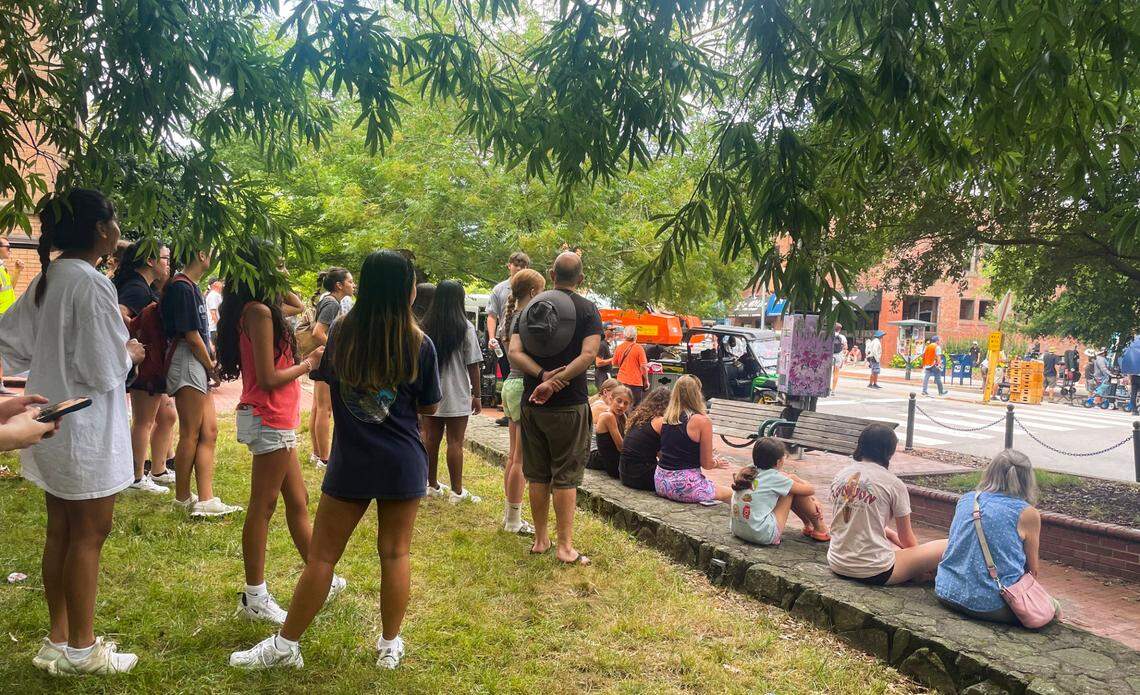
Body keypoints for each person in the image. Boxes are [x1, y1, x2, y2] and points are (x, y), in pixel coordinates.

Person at [229, 250, 441, 671]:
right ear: (408, 289)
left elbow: (324, 378)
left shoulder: (342, 333)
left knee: (323, 556)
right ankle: (389, 645)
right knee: (395, 554)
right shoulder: (420, 343)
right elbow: (430, 408)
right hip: (402, 461)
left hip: (352, 461)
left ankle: (286, 645)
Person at [0, 188, 145, 675]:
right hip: (85, 431)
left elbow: (11, 345)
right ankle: (82, 650)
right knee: (89, 534)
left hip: (49, 427)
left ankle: (57, 639)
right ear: (102, 230)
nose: (120, 228)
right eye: (117, 219)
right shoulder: (91, 283)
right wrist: (132, 353)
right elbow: (107, 368)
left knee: (60, 530)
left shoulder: (50, 278)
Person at [216, 240, 346, 626]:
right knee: (263, 506)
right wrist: (308, 363)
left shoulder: (264, 308)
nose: (286, 272)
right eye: (278, 266)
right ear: (261, 271)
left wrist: (277, 280)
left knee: (298, 500)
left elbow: (297, 306)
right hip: (268, 415)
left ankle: (323, 574)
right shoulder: (257, 313)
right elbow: (270, 377)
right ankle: (254, 595)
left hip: (279, 417)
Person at [508, 251, 601, 565]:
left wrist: (541, 377)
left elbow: (514, 352)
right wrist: (558, 381)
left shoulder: (531, 306)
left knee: (537, 474)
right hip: (569, 405)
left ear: (551, 273)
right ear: (581, 279)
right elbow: (589, 355)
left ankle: (540, 539)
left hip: (532, 404)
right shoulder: (587, 309)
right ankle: (565, 547)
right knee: (565, 476)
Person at [935, 450, 1060, 626]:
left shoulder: (967, 499)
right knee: (1049, 607)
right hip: (988, 605)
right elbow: (1033, 571)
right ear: (1027, 480)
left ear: (990, 472)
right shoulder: (1026, 513)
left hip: (946, 591)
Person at [163, 247, 242, 517]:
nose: (213, 256)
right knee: (190, 432)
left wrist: (211, 359)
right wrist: (210, 366)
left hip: (196, 359)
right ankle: (183, 497)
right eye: (209, 251)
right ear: (199, 254)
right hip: (187, 360)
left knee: (209, 431)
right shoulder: (182, 287)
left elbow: (200, 333)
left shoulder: (193, 287)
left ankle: (206, 499)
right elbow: (190, 334)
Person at [828, 424, 948, 585]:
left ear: (860, 445)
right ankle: (918, 574)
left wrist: (891, 536)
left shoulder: (841, 475)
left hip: (837, 562)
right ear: (889, 452)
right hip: (874, 571)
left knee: (890, 536)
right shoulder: (893, 484)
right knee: (946, 544)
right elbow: (906, 538)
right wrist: (919, 562)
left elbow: (848, 521)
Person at [113, 241, 176, 492]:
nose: (168, 264)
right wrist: (135, 332)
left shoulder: (143, 286)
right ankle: (136, 477)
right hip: (143, 366)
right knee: (144, 421)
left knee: (167, 415)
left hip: (150, 365)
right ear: (150, 261)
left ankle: (158, 469)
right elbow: (118, 313)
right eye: (165, 259)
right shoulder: (137, 289)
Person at [421, 280, 483, 503]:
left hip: (430, 390)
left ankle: (431, 485)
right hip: (457, 391)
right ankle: (457, 491)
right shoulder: (465, 327)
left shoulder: (425, 325)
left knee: (430, 439)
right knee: (455, 442)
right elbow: (473, 364)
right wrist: (477, 395)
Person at [498, 268, 545, 535]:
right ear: (532, 292)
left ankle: (509, 516)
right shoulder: (525, 318)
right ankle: (514, 520)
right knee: (521, 459)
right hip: (521, 386)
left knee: (513, 456)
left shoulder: (510, 317)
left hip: (509, 385)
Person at [730, 438, 830, 545]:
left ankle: (808, 525)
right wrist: (796, 478)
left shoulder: (747, 471)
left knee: (789, 484)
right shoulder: (774, 478)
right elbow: (810, 490)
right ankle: (820, 528)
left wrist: (792, 479)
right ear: (778, 462)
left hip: (738, 530)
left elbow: (784, 481)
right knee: (790, 489)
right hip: (762, 535)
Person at [654, 375, 732, 504]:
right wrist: (717, 463)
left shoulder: (667, 418)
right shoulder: (702, 421)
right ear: (697, 394)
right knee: (732, 493)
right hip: (684, 486)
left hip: (661, 482)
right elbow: (706, 464)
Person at [308, 267, 355, 468]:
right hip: (325, 360)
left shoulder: (326, 299)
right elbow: (318, 332)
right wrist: (337, 350)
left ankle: (317, 453)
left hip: (320, 358)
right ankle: (325, 458)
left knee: (318, 408)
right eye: (350, 281)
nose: (353, 285)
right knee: (325, 410)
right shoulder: (332, 303)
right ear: (339, 285)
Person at [487, 251, 531, 426]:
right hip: (504, 338)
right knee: (507, 375)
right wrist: (492, 338)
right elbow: (492, 315)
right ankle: (509, 412)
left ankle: (523, 410)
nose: (519, 268)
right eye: (516, 265)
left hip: (525, 339)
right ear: (509, 266)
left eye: (523, 266)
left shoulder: (532, 288)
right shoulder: (499, 289)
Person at [618, 387, 670, 491]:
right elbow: (665, 455)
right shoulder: (660, 421)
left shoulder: (638, 417)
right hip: (641, 475)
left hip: (624, 473)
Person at [586, 384, 632, 478]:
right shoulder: (607, 416)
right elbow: (620, 447)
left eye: (626, 403)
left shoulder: (622, 416)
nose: (621, 406)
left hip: (608, 455)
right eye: (619, 401)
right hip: (594, 456)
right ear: (611, 399)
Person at [0, 234, 24, 396]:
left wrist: (17, 271)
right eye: (7, 246)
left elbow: (10, 288)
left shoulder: (2, 268)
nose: (10, 249)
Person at [613, 325, 649, 404]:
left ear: (624, 335)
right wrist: (646, 380)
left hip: (621, 381)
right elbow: (643, 367)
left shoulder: (619, 347)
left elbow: (614, 363)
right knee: (634, 406)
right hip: (635, 382)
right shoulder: (639, 348)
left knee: (620, 404)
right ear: (635, 336)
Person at [594, 323, 616, 390]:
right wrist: (613, 359)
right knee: (604, 396)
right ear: (604, 331)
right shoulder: (602, 344)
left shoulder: (605, 343)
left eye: (614, 330)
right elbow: (598, 363)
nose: (613, 331)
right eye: (611, 330)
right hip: (602, 375)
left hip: (605, 374)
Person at [205, 277, 224, 346]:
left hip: (216, 328)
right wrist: (220, 328)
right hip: (215, 328)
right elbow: (213, 314)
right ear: (215, 284)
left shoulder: (216, 295)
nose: (222, 284)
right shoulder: (213, 295)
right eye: (220, 282)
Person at [831, 323, 847, 392]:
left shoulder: (829, 335)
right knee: (836, 373)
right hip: (838, 356)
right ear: (839, 329)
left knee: (827, 372)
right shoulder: (842, 337)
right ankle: (833, 390)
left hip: (829, 355)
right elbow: (845, 347)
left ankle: (825, 387)